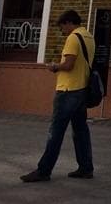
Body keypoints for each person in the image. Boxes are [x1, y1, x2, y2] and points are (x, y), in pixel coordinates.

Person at [20, 10, 95, 183]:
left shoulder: (73, 38)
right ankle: (86, 167)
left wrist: (55, 66)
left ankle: (44, 170)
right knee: (81, 130)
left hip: (68, 90)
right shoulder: (89, 37)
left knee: (56, 131)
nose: (63, 31)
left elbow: (68, 65)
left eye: (63, 27)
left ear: (69, 22)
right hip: (82, 89)